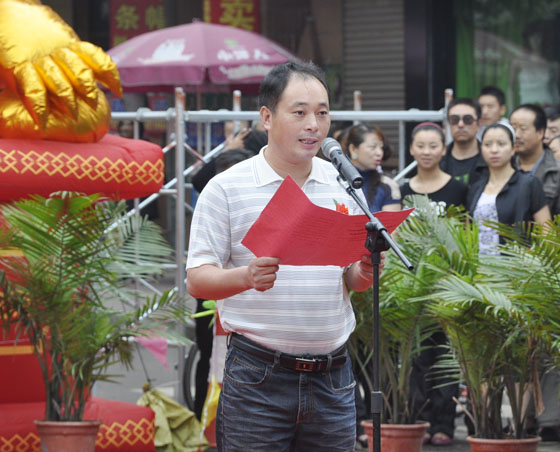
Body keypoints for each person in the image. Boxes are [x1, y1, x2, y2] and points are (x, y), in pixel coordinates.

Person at [186, 61, 377, 452]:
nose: (313, 125)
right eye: (300, 112)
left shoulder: (343, 184)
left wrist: (367, 268)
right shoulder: (227, 188)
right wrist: (245, 277)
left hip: (333, 377)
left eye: (322, 113)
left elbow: (351, 280)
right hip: (259, 378)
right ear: (267, 117)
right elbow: (197, 279)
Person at [402, 122, 466, 447]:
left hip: (447, 284)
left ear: (443, 150)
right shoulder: (403, 190)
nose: (426, 152)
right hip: (411, 287)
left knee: (445, 356)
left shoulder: (457, 189)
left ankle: (444, 424)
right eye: (421, 146)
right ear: (411, 149)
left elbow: (465, 235)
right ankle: (421, 420)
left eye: (433, 146)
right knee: (417, 357)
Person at [467, 122, 551, 255]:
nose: (494, 150)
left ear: (513, 148)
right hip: (479, 265)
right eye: (487, 145)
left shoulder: (528, 184)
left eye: (501, 144)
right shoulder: (476, 188)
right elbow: (468, 232)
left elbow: (546, 233)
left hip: (516, 264)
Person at [510, 103, 560, 216]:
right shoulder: (502, 166)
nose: (516, 135)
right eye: (513, 128)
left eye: (523, 129)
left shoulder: (556, 172)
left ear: (540, 132)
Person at [344, 123, 401, 212]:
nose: (379, 153)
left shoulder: (387, 185)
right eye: (373, 147)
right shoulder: (337, 182)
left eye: (381, 147)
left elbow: (391, 220)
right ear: (353, 149)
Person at [440, 98, 487, 187]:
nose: (460, 124)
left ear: (479, 124)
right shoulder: (438, 159)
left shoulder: (490, 159)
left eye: (467, 119)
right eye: (454, 119)